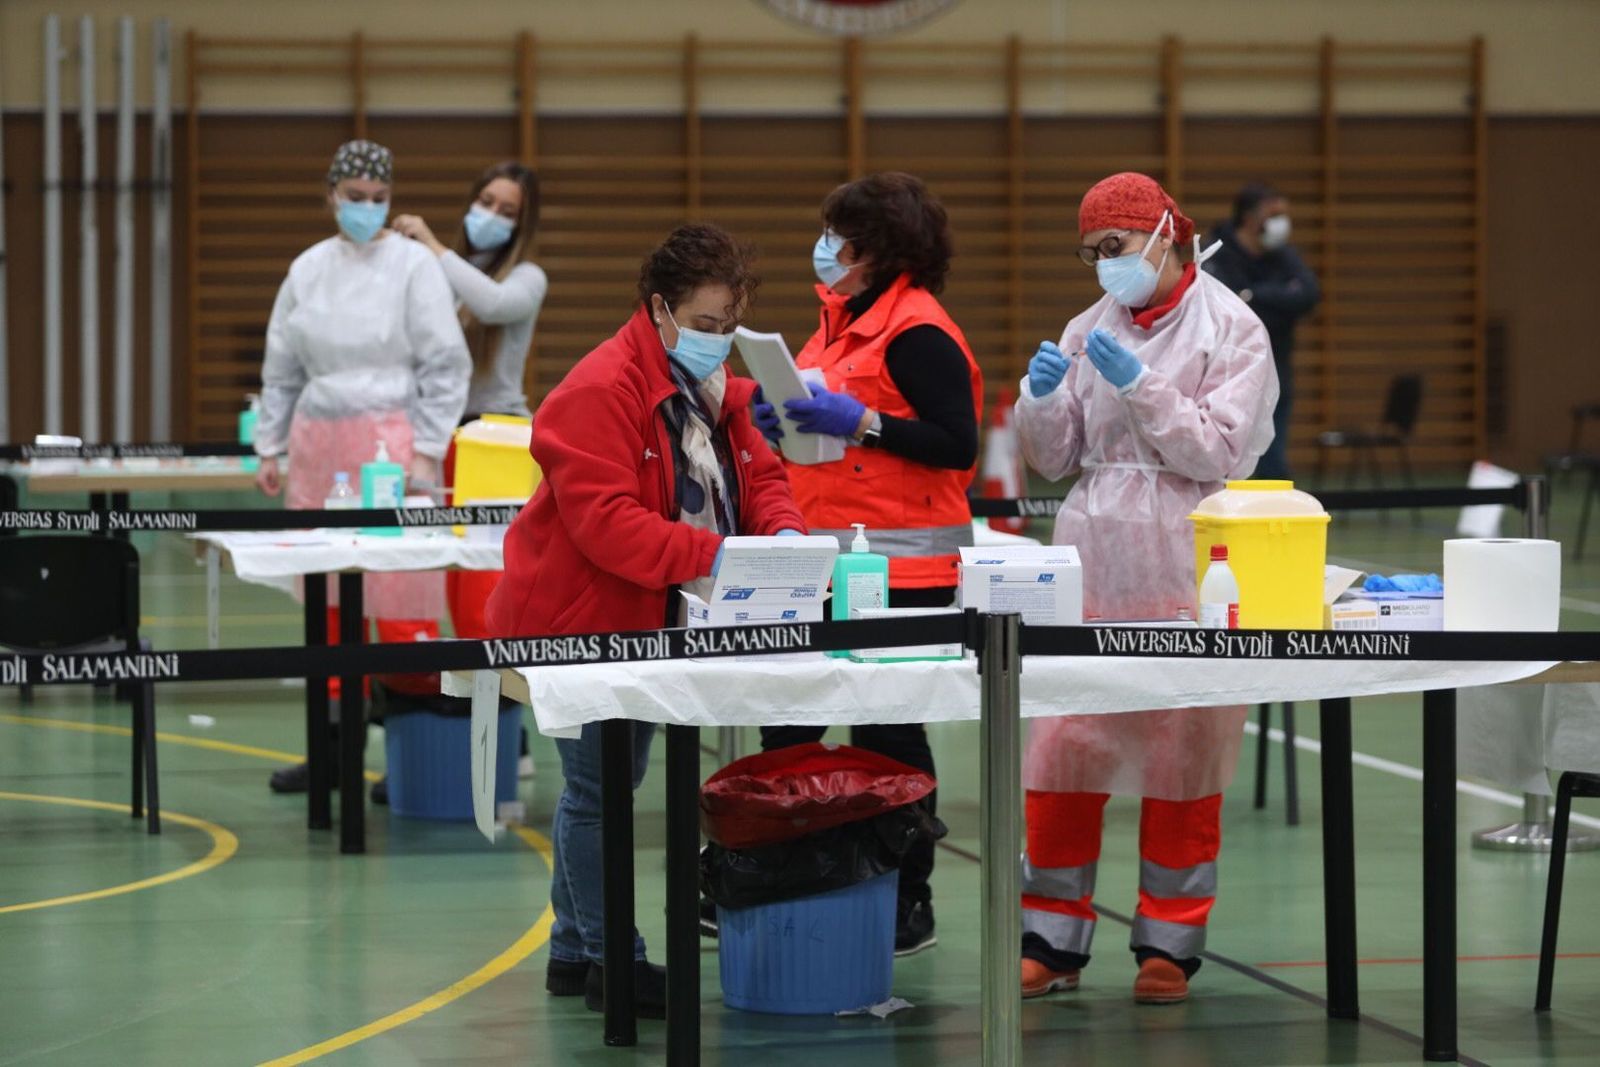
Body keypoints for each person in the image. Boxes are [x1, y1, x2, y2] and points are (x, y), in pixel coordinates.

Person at [486, 224, 806, 1019]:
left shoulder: (714, 387)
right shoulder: (597, 390)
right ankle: (611, 960)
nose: (720, 341)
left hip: (652, 615)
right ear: (659, 310)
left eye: (730, 324)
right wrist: (722, 555)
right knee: (599, 791)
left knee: (607, 783)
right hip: (574, 619)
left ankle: (571, 948)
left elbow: (760, 474)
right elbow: (609, 525)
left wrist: (785, 535)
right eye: (704, 325)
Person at [1013, 172, 1277, 1004]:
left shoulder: (1232, 328)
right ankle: (1050, 941)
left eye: (1115, 249)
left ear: (1166, 234)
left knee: (1182, 753)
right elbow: (1053, 459)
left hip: (1186, 552)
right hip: (1091, 552)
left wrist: (1140, 384)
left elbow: (1219, 451)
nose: (1103, 267)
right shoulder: (1088, 326)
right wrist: (1040, 399)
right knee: (1064, 748)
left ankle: (1169, 941)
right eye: (1090, 253)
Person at [753, 171, 983, 957]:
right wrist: (774, 419)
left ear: (877, 251)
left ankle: (905, 896)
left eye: (839, 239)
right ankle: (775, 871)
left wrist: (865, 423)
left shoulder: (917, 330)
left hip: (907, 568)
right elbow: (827, 442)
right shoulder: (839, 322)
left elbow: (957, 443)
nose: (825, 250)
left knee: (888, 728)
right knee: (787, 717)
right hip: (827, 558)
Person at [254, 140, 471, 795]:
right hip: (319, 444)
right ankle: (332, 752)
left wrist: (429, 449)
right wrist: (271, 445)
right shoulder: (307, 269)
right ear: (331, 196)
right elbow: (281, 363)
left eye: (379, 199)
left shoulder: (412, 266)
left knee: (402, 603)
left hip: (395, 445)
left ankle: (409, 749)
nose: (367, 209)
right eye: (355, 198)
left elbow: (445, 361)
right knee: (327, 607)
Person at [392, 162, 547, 640]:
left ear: (522, 223)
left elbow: (494, 304)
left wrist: (433, 246)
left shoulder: (527, 277)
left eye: (507, 210)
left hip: (496, 440)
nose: (492, 215)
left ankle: (498, 705)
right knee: (430, 569)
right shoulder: (436, 271)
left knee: (482, 585)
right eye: (485, 203)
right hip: (437, 436)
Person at [1202, 182, 1319, 480]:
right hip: (1225, 374)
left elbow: (1307, 295)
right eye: (1274, 214)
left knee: (1272, 455)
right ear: (1250, 218)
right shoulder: (1217, 254)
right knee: (1233, 458)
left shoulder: (1282, 255)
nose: (1282, 223)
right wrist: (1277, 298)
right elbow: (1224, 310)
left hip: (1276, 366)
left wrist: (1252, 295)